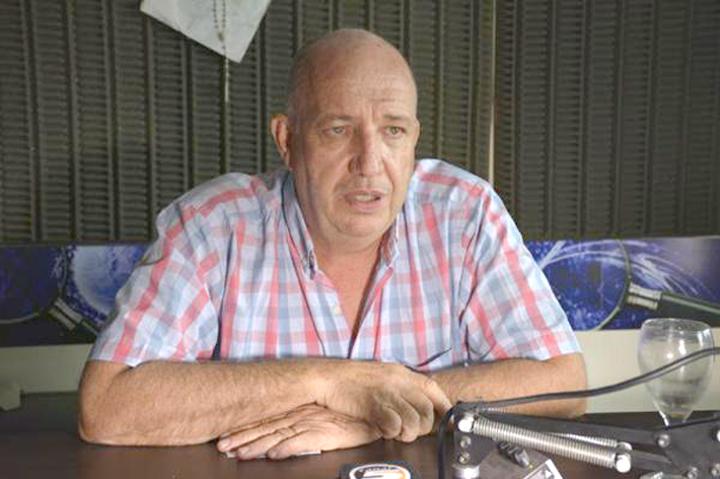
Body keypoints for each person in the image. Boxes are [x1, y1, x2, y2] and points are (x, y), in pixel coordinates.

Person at [78, 28, 586, 460]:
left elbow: (565, 383)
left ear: (414, 139)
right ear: (287, 140)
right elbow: (106, 408)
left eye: (393, 131)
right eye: (339, 130)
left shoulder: (465, 213)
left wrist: (375, 412)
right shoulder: (211, 226)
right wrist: (325, 382)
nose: (369, 162)